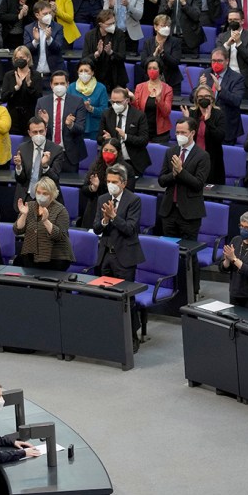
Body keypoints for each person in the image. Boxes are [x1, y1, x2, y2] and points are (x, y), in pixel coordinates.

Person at [93, 164, 145, 350]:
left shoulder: (134, 200)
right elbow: (96, 228)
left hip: (124, 256)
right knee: (107, 297)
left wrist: (114, 217)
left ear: (123, 183)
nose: (110, 185)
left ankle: (132, 337)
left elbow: (130, 229)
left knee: (126, 299)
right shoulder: (102, 199)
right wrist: (104, 221)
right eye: (108, 181)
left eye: (114, 182)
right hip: (106, 255)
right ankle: (111, 334)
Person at [158, 119, 210, 240]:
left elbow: (198, 184)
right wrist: (174, 174)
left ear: (192, 133)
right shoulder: (170, 152)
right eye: (177, 132)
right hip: (169, 211)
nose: (179, 135)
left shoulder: (202, 156)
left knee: (188, 253)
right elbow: (161, 180)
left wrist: (181, 172)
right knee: (168, 249)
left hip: (189, 213)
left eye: (183, 132)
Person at [14, 177, 74, 270]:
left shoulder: (61, 210)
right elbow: (17, 230)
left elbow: (60, 236)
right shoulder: (29, 206)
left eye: (45, 193)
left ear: (52, 194)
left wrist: (45, 221)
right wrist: (24, 215)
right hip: (31, 255)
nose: (41, 195)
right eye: (38, 192)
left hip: (55, 257)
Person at [182, 86, 227, 185]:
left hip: (212, 159)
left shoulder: (219, 114)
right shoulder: (192, 113)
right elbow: (185, 138)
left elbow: (219, 137)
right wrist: (187, 121)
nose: (203, 99)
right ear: (196, 99)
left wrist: (208, 121)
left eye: (207, 96)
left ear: (212, 98)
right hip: (193, 158)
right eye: (200, 97)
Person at [14, 117, 64, 204]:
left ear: (46, 130)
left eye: (41, 131)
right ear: (29, 133)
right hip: (26, 197)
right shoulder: (22, 148)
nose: (38, 135)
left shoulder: (56, 150)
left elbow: (55, 178)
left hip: (47, 197)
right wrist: (18, 167)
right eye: (35, 132)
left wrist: (45, 166)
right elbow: (20, 180)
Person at [2, 46, 43, 137]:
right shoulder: (9, 75)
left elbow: (39, 97)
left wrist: (29, 85)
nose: (18, 60)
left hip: (30, 117)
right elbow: (4, 97)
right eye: (16, 58)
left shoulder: (36, 75)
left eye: (21, 58)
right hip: (13, 117)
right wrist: (16, 87)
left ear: (28, 58)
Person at [82, 9, 128, 91]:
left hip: (115, 77)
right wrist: (96, 54)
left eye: (114, 23)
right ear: (101, 24)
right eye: (109, 24)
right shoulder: (90, 36)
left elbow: (122, 56)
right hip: (96, 77)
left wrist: (111, 52)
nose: (113, 26)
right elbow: (84, 59)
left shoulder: (119, 34)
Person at [132, 59, 173, 145]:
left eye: (154, 68)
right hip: (143, 130)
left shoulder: (167, 89)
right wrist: (132, 99)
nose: (152, 71)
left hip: (161, 133)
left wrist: (159, 100)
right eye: (149, 68)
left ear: (160, 70)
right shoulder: (140, 87)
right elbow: (136, 110)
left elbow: (166, 113)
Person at [69, 59, 110, 140]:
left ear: (92, 72)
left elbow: (105, 111)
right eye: (81, 71)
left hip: (94, 129)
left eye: (86, 71)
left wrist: (91, 109)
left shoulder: (101, 88)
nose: (83, 73)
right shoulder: (71, 87)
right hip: (76, 128)